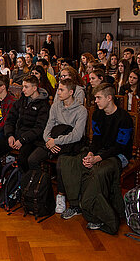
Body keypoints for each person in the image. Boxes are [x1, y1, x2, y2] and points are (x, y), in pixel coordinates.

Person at [60, 83, 133, 234]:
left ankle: (105, 216)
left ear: (109, 98)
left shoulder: (124, 118)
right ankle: (76, 204)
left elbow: (120, 147)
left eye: (99, 98)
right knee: (69, 162)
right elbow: (97, 139)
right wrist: (91, 154)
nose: (96, 101)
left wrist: (98, 158)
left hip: (120, 155)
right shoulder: (98, 114)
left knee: (98, 172)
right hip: (101, 152)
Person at [29, 79, 87, 214]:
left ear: (71, 92)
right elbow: (48, 126)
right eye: (58, 89)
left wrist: (56, 141)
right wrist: (49, 140)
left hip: (69, 145)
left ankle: (60, 195)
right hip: (52, 141)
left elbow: (77, 135)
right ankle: (44, 189)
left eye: (61, 90)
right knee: (32, 159)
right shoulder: (55, 106)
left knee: (61, 165)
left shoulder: (81, 111)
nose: (58, 92)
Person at [0, 75, 50, 195]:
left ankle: (24, 186)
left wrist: (23, 140)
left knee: (23, 159)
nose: (23, 90)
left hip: (31, 140)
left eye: (26, 87)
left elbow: (39, 129)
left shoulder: (44, 105)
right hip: (15, 136)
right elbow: (10, 119)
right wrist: (10, 135)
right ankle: (1, 179)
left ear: (35, 88)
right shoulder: (22, 100)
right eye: (23, 87)